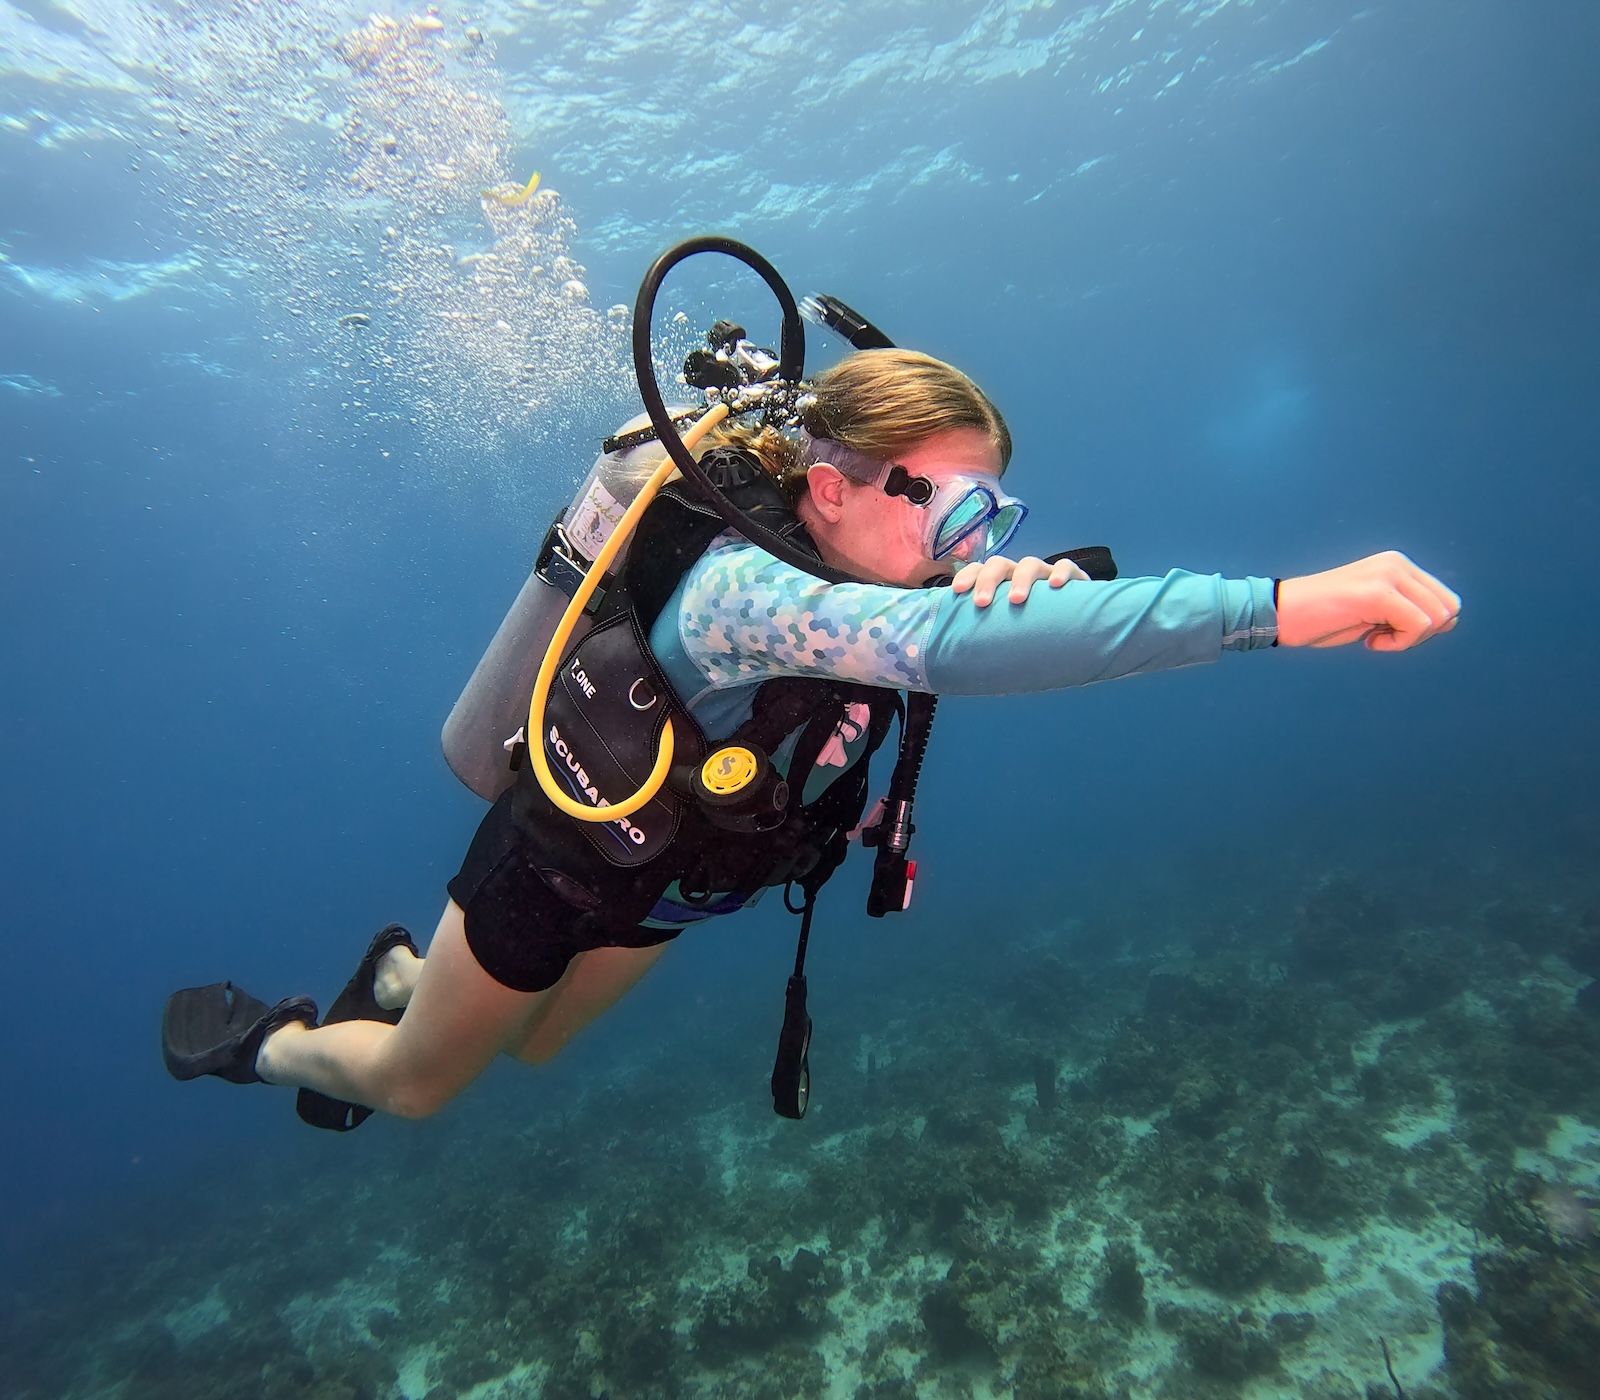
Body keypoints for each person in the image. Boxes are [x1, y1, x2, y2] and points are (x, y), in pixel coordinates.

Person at [162, 348, 1459, 1125]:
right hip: (558, 873)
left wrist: (1028, 583)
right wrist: (1285, 609)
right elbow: (942, 653)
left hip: (683, 890)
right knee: (419, 1089)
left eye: (993, 517)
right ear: (830, 488)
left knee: (541, 1047)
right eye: (954, 511)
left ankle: (410, 974)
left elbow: (956, 624)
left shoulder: (892, 583)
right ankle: (265, 1042)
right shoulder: (742, 594)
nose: (975, 551)